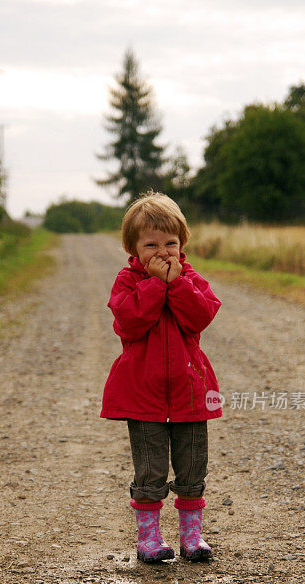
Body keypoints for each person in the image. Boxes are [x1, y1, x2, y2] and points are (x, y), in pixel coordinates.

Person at [100, 192, 223, 563]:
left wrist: (177, 284)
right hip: (143, 395)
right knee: (150, 469)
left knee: (192, 466)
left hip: (189, 391)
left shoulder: (191, 278)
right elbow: (130, 323)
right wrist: (155, 285)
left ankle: (191, 536)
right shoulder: (127, 281)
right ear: (133, 249)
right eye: (150, 244)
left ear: (182, 244)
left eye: (170, 243)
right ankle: (149, 539)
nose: (162, 252)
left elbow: (199, 317)